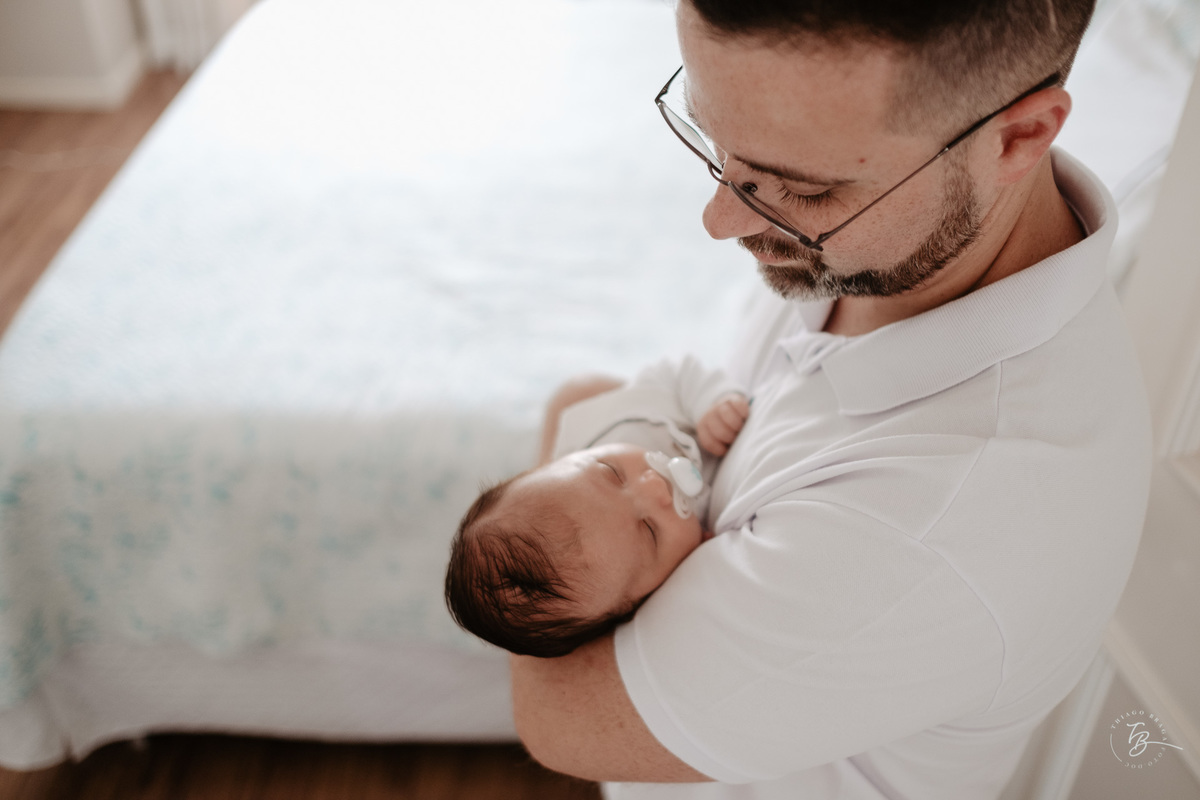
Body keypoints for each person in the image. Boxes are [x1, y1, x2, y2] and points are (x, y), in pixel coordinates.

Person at [508, 1, 1154, 799]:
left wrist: (537, 541)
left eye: (800, 192)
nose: (720, 220)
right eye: (714, 143)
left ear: (1019, 137)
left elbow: (563, 717)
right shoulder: (894, 241)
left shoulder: (937, 524)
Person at [444, 357, 750, 658]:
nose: (655, 487)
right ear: (640, 604)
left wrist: (713, 402)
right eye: (649, 530)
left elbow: (676, 375)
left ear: (559, 459)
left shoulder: (622, 424)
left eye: (612, 473)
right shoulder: (678, 583)